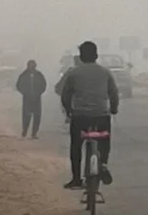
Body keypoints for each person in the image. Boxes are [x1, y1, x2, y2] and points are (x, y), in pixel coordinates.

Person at [60, 42, 119, 189]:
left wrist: (68, 110)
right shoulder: (105, 72)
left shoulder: (74, 73)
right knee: (104, 140)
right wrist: (113, 109)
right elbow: (113, 93)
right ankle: (103, 164)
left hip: (80, 117)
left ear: (80, 57)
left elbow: (65, 95)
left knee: (76, 146)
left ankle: (76, 179)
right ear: (96, 55)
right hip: (101, 116)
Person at [16, 60, 47, 139]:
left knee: (37, 116)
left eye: (33, 65)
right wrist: (24, 93)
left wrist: (39, 93)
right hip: (27, 99)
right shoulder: (23, 75)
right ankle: (24, 132)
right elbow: (18, 85)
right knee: (26, 116)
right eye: (30, 65)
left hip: (36, 99)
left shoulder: (39, 75)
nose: (32, 67)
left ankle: (34, 133)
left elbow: (44, 85)